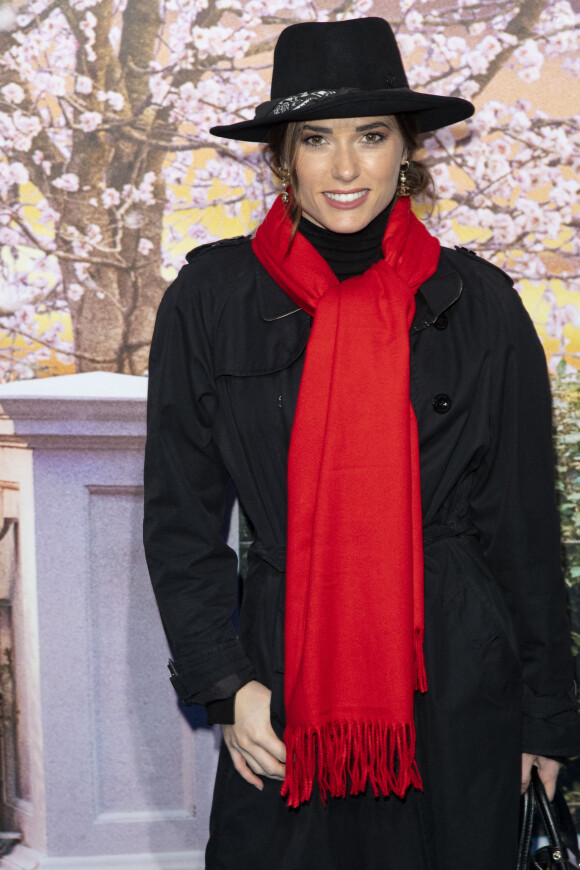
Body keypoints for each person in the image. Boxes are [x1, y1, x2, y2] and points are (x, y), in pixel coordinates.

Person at [143, 17, 580, 870]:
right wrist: (229, 686)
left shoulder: (480, 304)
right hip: (284, 675)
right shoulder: (210, 300)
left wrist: (547, 720)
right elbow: (182, 523)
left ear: (407, 149)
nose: (345, 169)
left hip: (457, 684)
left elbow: (525, 533)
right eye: (317, 140)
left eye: (371, 137)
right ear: (282, 155)